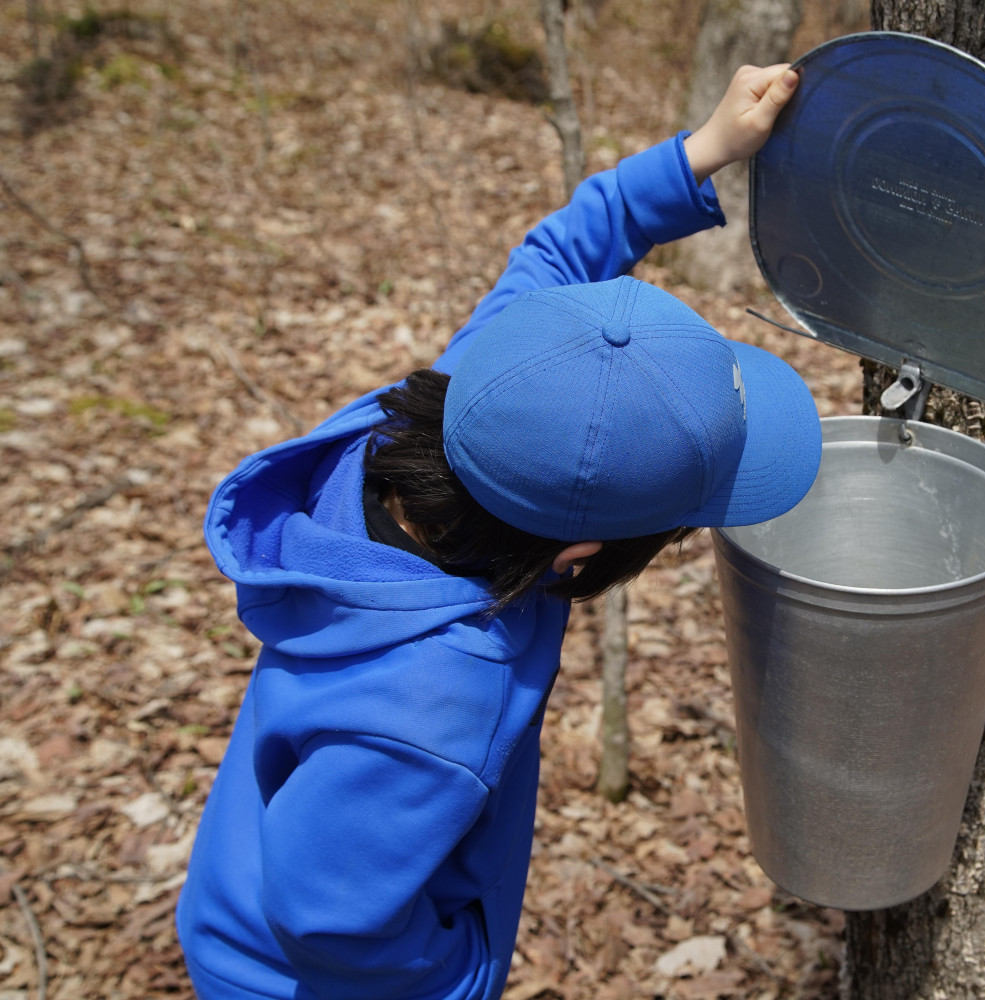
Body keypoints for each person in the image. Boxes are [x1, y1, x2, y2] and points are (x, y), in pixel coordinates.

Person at [176, 64, 819, 1000]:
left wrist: (706, 151)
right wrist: (466, 970)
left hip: (262, 870)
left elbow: (559, 256)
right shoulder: (437, 701)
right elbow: (326, 915)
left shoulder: (463, 417)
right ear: (577, 557)